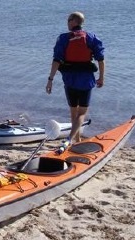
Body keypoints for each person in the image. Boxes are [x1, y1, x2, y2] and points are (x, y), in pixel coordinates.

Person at [46, 11, 105, 145]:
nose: (67, 23)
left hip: (69, 80)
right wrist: (101, 77)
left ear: (74, 22)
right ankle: (70, 139)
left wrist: (50, 80)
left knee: (74, 112)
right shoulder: (91, 37)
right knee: (82, 114)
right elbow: (101, 60)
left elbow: (56, 60)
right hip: (86, 81)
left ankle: (76, 140)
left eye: (68, 20)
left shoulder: (63, 39)